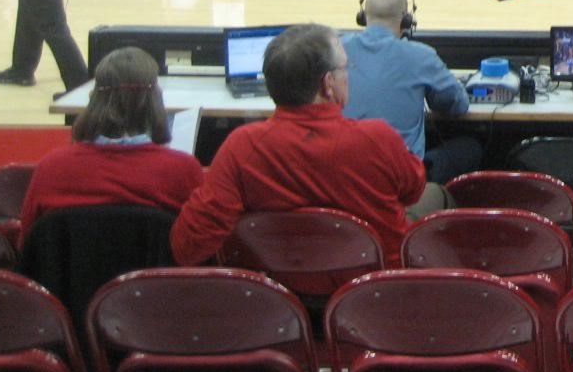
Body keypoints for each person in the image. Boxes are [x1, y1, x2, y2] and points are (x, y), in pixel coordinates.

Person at [170, 24, 438, 265]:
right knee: (438, 194)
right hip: (372, 295)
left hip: (278, 300)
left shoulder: (242, 147)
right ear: (328, 84)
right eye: (345, 68)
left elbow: (187, 246)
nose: (349, 75)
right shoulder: (378, 138)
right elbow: (413, 192)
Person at [19, 46, 204, 233]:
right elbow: (199, 248)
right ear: (155, 102)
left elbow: (28, 249)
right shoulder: (183, 170)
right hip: (156, 262)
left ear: (94, 100)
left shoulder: (53, 168)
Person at [343, 0, 482, 184]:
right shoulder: (421, 56)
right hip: (400, 181)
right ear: (407, 19)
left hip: (345, 175)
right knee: (470, 148)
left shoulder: (336, 50)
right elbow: (458, 105)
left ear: (363, 16)